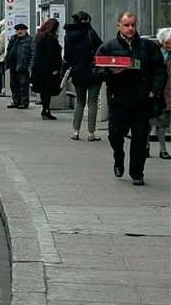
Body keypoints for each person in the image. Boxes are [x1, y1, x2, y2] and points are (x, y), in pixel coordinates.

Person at [96, 12, 167, 186]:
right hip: (118, 99)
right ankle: (118, 156)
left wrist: (154, 91)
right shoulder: (108, 47)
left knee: (140, 137)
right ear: (118, 25)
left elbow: (159, 70)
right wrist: (109, 71)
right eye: (126, 25)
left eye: (133, 25)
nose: (130, 28)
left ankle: (137, 172)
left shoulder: (148, 47)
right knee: (115, 133)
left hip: (141, 99)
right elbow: (96, 70)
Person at [63, 11, 103, 141]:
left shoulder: (69, 35)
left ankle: (76, 131)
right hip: (93, 72)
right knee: (92, 102)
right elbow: (101, 50)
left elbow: (67, 56)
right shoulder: (91, 33)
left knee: (80, 102)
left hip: (78, 72)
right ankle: (91, 133)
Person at [31, 18, 63, 119]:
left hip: (40, 69)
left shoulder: (40, 37)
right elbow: (51, 55)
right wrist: (55, 68)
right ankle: (46, 110)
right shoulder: (50, 38)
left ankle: (45, 110)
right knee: (47, 91)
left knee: (44, 91)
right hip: (48, 70)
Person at [6, 23, 34, 109]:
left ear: (25, 30)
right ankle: (16, 101)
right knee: (13, 84)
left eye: (21, 30)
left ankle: (24, 102)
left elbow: (33, 53)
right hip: (13, 65)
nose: (19, 31)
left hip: (23, 65)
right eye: (17, 30)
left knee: (23, 85)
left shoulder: (29, 40)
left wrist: (30, 65)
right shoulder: (13, 38)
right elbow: (9, 49)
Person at [156, 27, 171, 160]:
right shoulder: (156, 55)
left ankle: (163, 149)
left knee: (163, 123)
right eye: (168, 43)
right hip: (156, 94)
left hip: (168, 94)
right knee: (150, 122)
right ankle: (146, 146)